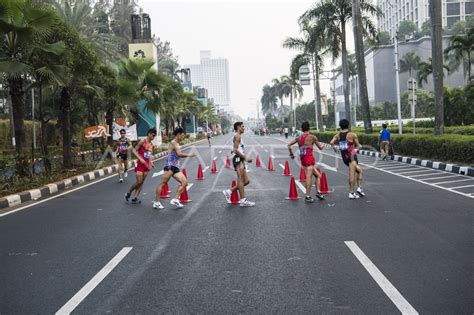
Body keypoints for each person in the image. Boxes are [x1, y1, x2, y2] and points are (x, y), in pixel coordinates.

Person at [153, 127, 196, 209]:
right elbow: (179, 154)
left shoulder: (177, 143)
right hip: (169, 167)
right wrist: (190, 155)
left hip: (175, 167)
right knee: (162, 184)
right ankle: (156, 202)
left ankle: (175, 199)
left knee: (184, 183)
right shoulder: (173, 143)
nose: (183, 137)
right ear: (178, 134)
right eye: (182, 135)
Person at [287, 121, 325, 203]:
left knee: (318, 176)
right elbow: (320, 148)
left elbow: (289, 145)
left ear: (302, 129)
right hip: (309, 158)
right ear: (309, 128)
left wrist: (291, 154)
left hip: (303, 159)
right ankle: (307, 196)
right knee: (309, 177)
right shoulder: (312, 137)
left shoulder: (299, 138)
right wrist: (323, 145)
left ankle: (318, 192)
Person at [330, 119, 366, 199]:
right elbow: (359, 145)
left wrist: (335, 149)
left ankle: (359, 188)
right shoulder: (352, 135)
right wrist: (356, 149)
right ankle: (351, 193)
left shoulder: (338, 135)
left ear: (340, 126)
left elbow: (331, 142)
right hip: (352, 157)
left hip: (344, 157)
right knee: (352, 174)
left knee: (359, 171)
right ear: (348, 125)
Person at [222, 122, 255, 207]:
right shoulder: (237, 136)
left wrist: (244, 158)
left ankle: (229, 191)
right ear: (238, 127)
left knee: (246, 181)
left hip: (240, 159)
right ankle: (243, 201)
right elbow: (235, 150)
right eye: (242, 127)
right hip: (237, 159)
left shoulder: (238, 136)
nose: (244, 128)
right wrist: (245, 157)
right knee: (240, 179)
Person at [125, 128, 156, 204]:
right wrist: (140, 158)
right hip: (140, 164)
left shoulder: (152, 145)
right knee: (139, 181)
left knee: (142, 182)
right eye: (153, 135)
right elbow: (134, 150)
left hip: (147, 165)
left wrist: (151, 162)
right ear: (149, 134)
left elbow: (148, 156)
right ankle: (129, 192)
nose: (154, 137)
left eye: (155, 136)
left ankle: (135, 197)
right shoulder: (142, 141)